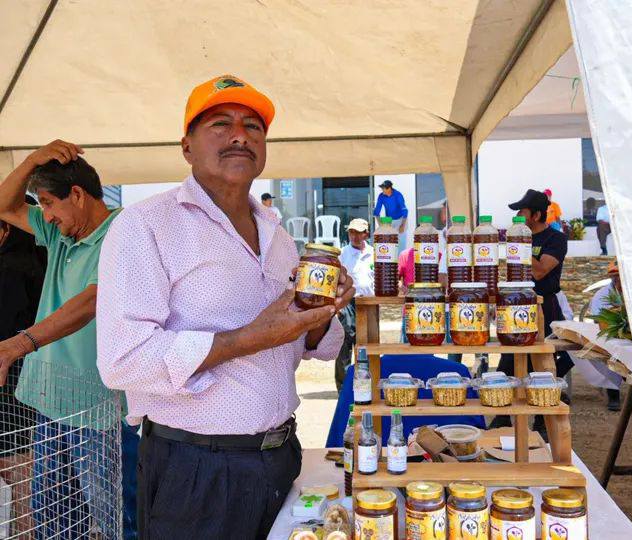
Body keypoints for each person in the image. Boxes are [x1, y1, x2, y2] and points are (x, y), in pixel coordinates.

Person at [96, 75, 353, 539]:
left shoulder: (278, 236)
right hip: (197, 471)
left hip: (281, 455)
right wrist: (249, 338)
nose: (240, 135)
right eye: (220, 123)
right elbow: (123, 359)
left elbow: (307, 346)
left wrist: (321, 312)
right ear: (186, 147)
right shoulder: (144, 225)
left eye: (253, 126)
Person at [0, 142, 139, 538]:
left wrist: (19, 343)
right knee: (53, 519)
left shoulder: (122, 233)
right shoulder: (58, 232)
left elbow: (92, 300)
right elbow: (4, 206)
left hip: (100, 412)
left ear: (77, 194)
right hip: (50, 403)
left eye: (48, 203)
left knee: (117, 521)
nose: (44, 215)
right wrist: (31, 160)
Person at [491, 189, 574, 434]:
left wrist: (519, 247)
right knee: (507, 364)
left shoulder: (555, 239)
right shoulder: (518, 239)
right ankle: (502, 419)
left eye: (522, 212)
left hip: (544, 307)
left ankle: (543, 421)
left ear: (536, 215)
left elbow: (540, 271)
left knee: (543, 367)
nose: (517, 216)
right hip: (516, 305)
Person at [0, 204, 46, 538]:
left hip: (15, 384)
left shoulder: (16, 267)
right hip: (27, 384)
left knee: (20, 472)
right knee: (23, 476)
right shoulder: (39, 257)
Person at [335, 218, 374, 389]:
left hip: (370, 303)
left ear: (366, 234)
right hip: (348, 303)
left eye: (358, 232)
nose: (355, 236)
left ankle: (365, 386)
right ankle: (344, 389)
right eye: (352, 232)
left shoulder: (374, 253)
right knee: (344, 346)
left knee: (367, 347)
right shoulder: (342, 254)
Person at [589, 259, 623, 411]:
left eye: (620, 276)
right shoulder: (602, 295)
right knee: (608, 350)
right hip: (611, 334)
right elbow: (599, 321)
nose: (618, 280)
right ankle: (613, 393)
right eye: (615, 277)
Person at [373, 180, 408, 252]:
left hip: (401, 219)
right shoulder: (381, 196)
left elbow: (405, 210)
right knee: (390, 242)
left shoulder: (398, 195)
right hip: (389, 221)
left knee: (401, 243)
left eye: (383, 188)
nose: (382, 190)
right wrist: (380, 225)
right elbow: (377, 211)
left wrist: (403, 225)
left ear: (389, 188)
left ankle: (401, 258)